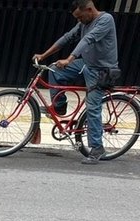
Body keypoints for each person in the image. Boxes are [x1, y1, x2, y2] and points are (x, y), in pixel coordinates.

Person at [33, 0, 119, 164]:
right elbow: (66, 38)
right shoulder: (83, 22)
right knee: (54, 70)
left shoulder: (105, 20)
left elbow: (89, 39)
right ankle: (60, 106)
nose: (79, 21)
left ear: (89, 9)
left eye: (80, 17)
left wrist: (69, 59)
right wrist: (43, 55)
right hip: (86, 64)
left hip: (102, 70)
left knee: (93, 107)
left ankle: (97, 148)